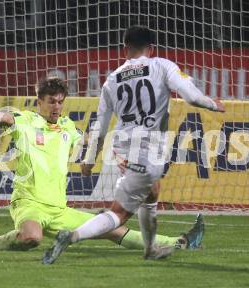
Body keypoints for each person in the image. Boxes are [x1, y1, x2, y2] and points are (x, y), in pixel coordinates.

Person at [0, 77, 203, 253]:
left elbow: (87, 144)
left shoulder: (68, 127)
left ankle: (178, 242)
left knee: (112, 228)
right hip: (28, 203)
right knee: (31, 238)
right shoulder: (26, 120)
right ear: (39, 102)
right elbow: (2, 117)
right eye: (51, 101)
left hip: (59, 209)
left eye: (60, 101)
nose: (56, 106)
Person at [42, 26, 225, 264]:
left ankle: (150, 250)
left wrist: (88, 160)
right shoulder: (161, 65)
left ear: (125, 48)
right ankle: (74, 235)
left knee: (152, 192)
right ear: (151, 48)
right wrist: (213, 104)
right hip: (148, 150)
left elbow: (100, 127)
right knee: (118, 213)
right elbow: (191, 97)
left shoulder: (112, 79)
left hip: (123, 148)